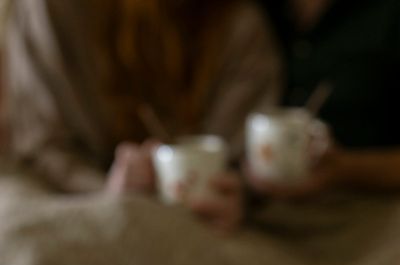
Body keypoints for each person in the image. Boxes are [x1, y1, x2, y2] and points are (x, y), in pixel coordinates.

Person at [3, 0, 281, 232]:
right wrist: (107, 193)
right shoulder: (52, 11)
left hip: (197, 230)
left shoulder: (238, 24)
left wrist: (238, 194)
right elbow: (42, 147)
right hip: (82, 206)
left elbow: (239, 163)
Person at [249, 0, 400, 201]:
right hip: (258, 208)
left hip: (368, 210)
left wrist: (343, 169)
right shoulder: (256, 11)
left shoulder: (387, 14)